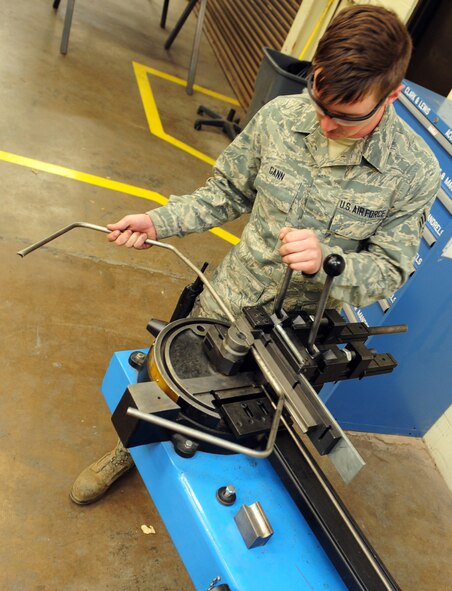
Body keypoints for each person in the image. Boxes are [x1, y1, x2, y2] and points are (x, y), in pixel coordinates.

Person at [70, 5, 440, 505]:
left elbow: (391, 269)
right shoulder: (280, 118)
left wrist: (332, 260)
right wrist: (161, 220)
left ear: (391, 96)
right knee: (170, 387)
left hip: (295, 336)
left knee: (244, 430)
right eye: (320, 101)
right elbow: (225, 193)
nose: (326, 124)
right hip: (227, 300)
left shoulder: (413, 171)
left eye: (346, 117)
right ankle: (128, 451)